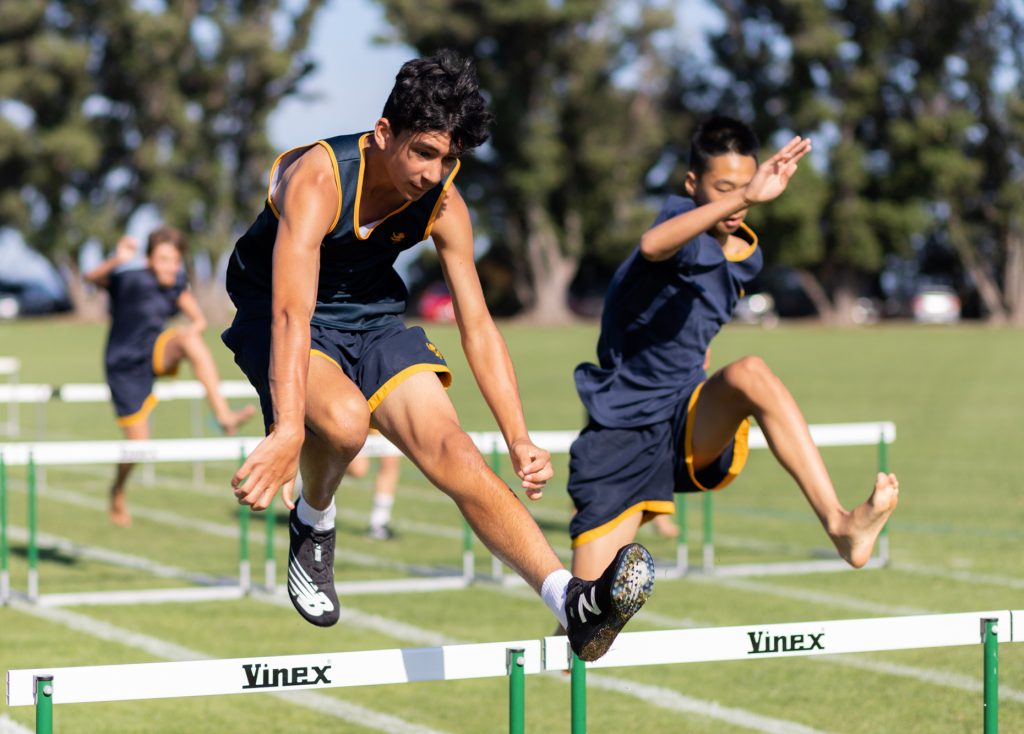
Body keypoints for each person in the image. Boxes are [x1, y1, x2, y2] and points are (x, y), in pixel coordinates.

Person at [220, 50, 653, 662]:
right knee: (342, 424)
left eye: (449, 158)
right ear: (384, 133)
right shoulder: (317, 180)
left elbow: (477, 324)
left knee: (456, 452)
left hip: (371, 319)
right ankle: (313, 523)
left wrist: (519, 433)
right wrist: (289, 428)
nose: (435, 172)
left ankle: (571, 602)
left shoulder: (445, 204)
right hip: (280, 313)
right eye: (424, 152)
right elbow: (293, 313)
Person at [567, 116, 899, 581]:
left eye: (748, 184)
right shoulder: (678, 227)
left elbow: (698, 325)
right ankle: (576, 640)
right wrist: (744, 196)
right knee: (586, 625)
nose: (741, 200)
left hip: (686, 419)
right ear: (692, 183)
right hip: (622, 430)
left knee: (750, 373)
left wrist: (700, 362)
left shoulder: (747, 256)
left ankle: (841, 524)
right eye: (724, 187)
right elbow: (652, 245)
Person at [85, 226, 255, 527]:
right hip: (124, 366)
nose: (169, 267)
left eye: (174, 260)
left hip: (155, 352)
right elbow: (92, 278)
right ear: (150, 259)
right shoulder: (130, 278)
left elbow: (197, 315)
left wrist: (197, 326)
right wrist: (118, 259)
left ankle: (223, 415)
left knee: (189, 341)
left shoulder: (176, 281)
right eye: (163, 259)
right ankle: (117, 490)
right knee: (139, 444)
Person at [346, 431, 402, 540]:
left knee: (391, 459)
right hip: (359, 416)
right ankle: (318, 468)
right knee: (358, 469)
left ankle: (379, 523)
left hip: (380, 416)